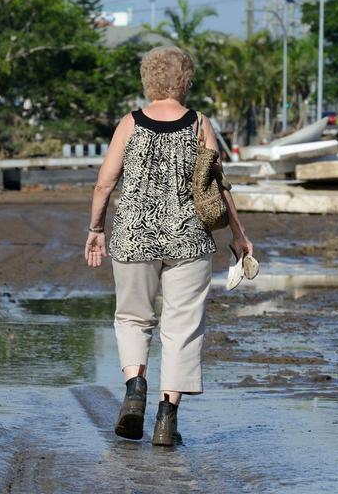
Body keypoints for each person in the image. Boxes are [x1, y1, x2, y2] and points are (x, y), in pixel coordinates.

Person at [84, 45, 253, 447]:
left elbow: (105, 182)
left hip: (133, 236)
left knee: (132, 318)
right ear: (185, 80)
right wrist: (239, 235)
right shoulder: (199, 124)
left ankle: (134, 389)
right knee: (182, 327)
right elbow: (216, 185)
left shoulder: (129, 123)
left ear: (149, 80)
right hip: (189, 239)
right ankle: (166, 419)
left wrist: (96, 228)